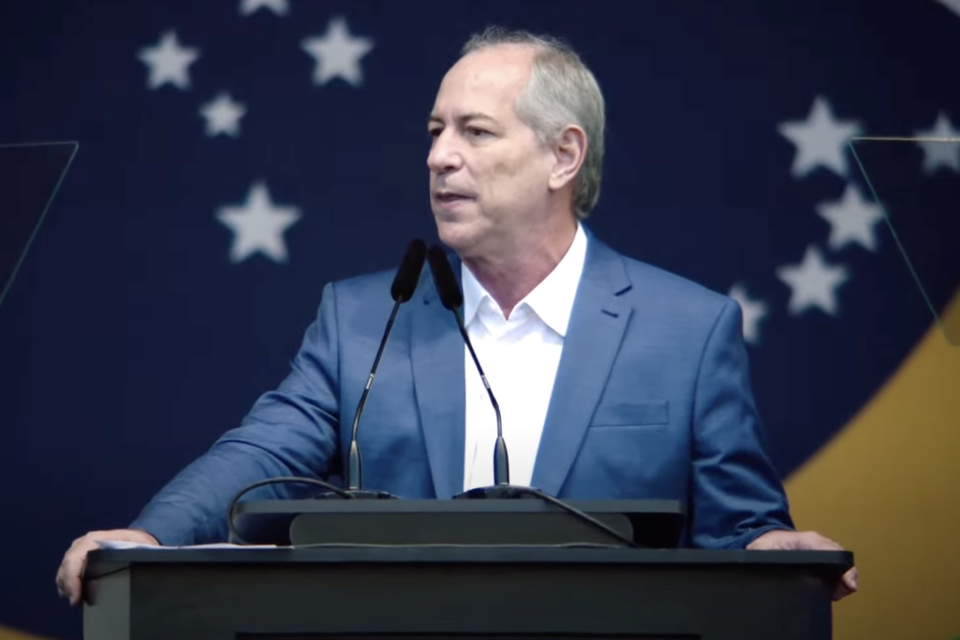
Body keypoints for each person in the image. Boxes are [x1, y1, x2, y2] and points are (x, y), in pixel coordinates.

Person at [57, 26, 858, 605]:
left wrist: (769, 548)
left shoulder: (688, 329)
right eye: (437, 132)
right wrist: (151, 538)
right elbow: (261, 453)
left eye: (475, 132)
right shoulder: (364, 317)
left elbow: (740, 525)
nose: (441, 156)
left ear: (563, 156)